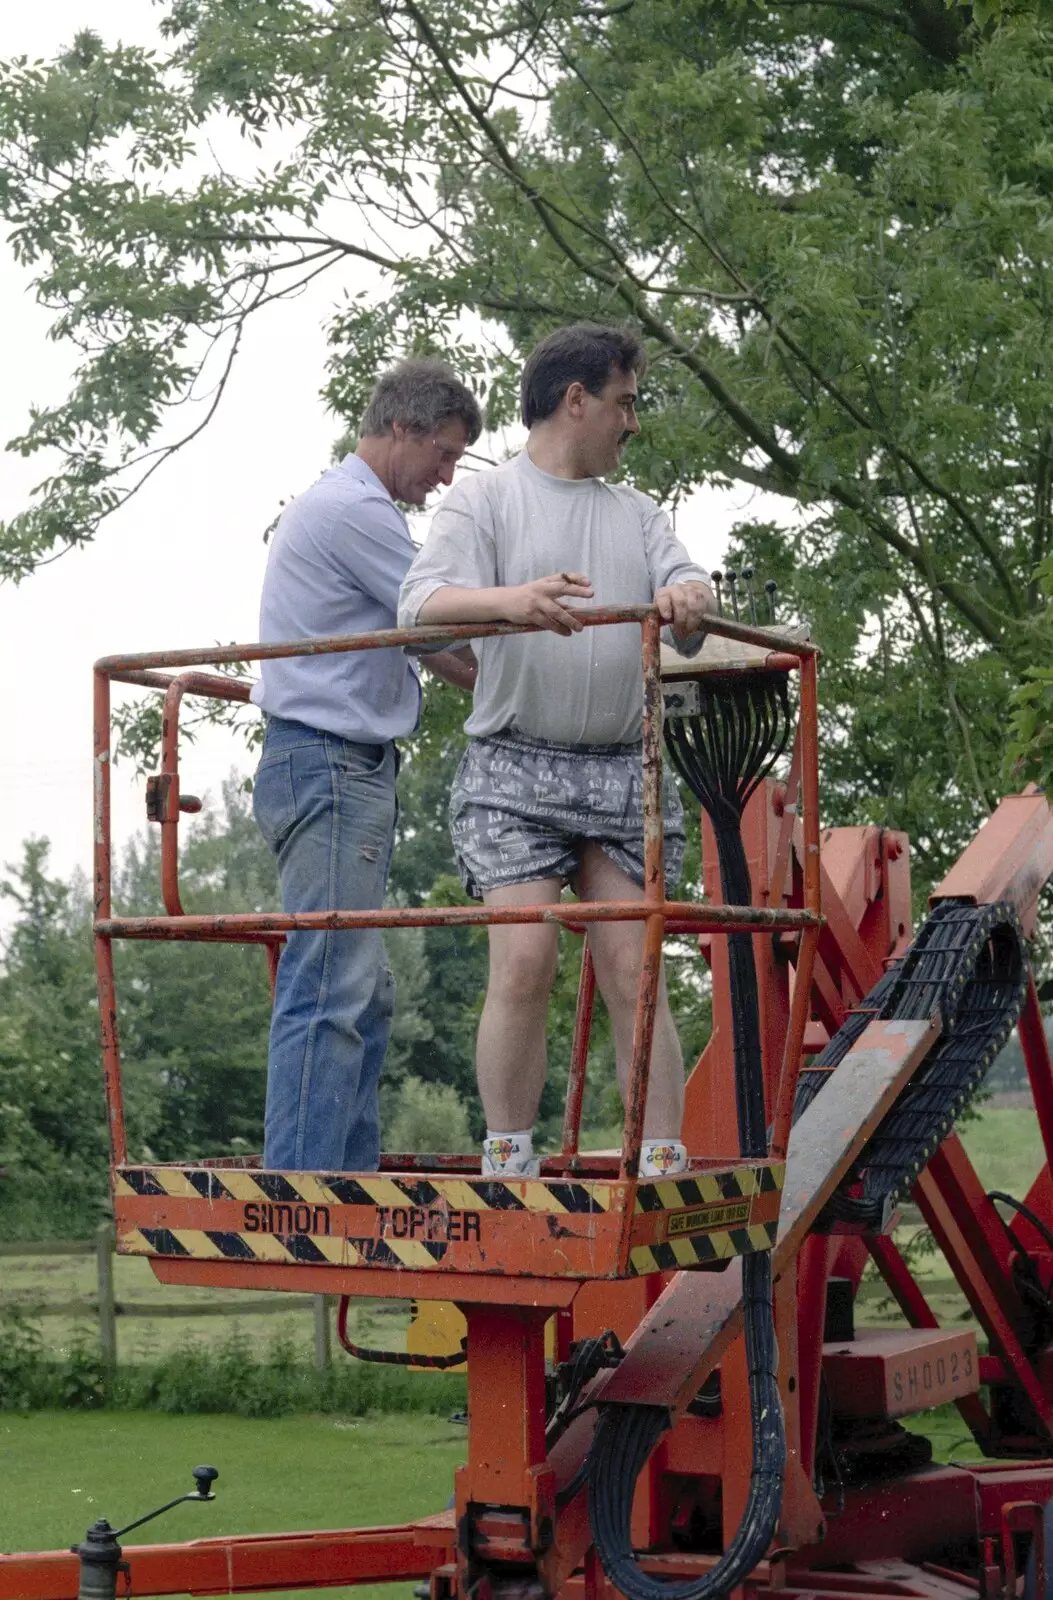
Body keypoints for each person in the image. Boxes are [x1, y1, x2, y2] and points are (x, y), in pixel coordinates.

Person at [398, 323, 714, 1179]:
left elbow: (690, 584)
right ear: (577, 400)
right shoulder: (484, 500)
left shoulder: (638, 513)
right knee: (525, 956)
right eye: (625, 402)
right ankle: (509, 1156)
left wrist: (688, 594)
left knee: (631, 964)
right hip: (513, 767)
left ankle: (658, 1158)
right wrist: (513, 603)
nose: (632, 423)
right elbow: (419, 606)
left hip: (620, 768)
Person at [252, 359, 482, 1172]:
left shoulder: (344, 507)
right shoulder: (358, 512)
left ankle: (341, 1172)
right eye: (445, 454)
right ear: (402, 430)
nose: (446, 476)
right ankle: (308, 1187)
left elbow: (432, 640)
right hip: (331, 761)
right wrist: (541, 690)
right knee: (332, 980)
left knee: (360, 985)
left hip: (330, 763)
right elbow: (440, 633)